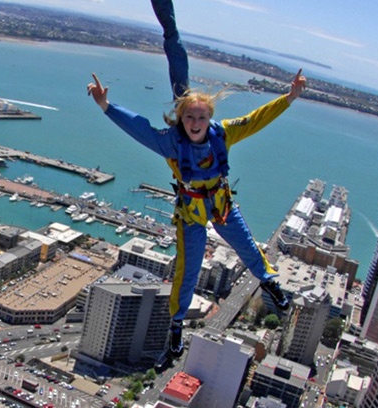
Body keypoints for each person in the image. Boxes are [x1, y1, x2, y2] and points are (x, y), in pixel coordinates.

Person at [87, 70, 306, 356]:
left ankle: (269, 280)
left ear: (210, 119)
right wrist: (106, 106)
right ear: (181, 118)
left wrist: (289, 98)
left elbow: (255, 119)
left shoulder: (223, 133)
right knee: (188, 269)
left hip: (220, 203)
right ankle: (176, 323)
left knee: (247, 245)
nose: (195, 123)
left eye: (201, 117)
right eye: (189, 117)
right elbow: (139, 129)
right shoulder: (172, 143)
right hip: (191, 211)